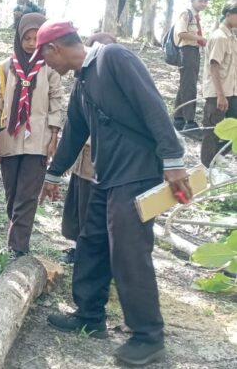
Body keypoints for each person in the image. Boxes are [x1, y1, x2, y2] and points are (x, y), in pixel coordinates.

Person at [38, 20, 190, 367]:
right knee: (90, 242)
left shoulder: (115, 58)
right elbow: (74, 134)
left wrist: (173, 160)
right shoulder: (81, 84)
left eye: (45, 57)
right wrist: (53, 174)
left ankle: (148, 337)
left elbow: (152, 105)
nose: (46, 65)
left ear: (54, 48)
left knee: (129, 251)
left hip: (137, 174)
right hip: (106, 177)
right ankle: (90, 315)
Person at [0, 13, 63, 260]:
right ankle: (15, 238)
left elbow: (56, 101)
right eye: (27, 38)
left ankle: (18, 247)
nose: (32, 44)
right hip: (9, 138)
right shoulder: (6, 67)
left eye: (36, 38)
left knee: (28, 194)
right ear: (18, 38)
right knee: (12, 193)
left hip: (38, 139)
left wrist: (54, 134)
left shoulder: (50, 67)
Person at [58, 32, 116, 265]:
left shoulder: (114, 78)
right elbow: (75, 123)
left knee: (96, 209)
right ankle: (78, 247)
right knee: (79, 204)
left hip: (102, 159)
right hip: (82, 155)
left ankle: (97, 254)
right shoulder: (81, 79)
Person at [201, 0, 237, 166]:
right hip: (218, 94)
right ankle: (206, 166)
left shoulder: (232, 37)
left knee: (232, 130)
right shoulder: (220, 37)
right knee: (212, 132)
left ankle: (217, 158)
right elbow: (214, 66)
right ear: (228, 15)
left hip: (232, 93)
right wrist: (220, 95)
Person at [173, 0, 210, 132]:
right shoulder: (186, 14)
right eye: (200, 1)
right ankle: (190, 122)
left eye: (205, 1)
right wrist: (200, 38)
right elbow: (181, 33)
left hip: (194, 51)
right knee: (189, 86)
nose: (203, 4)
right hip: (186, 51)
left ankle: (178, 119)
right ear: (192, 0)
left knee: (186, 84)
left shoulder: (196, 17)